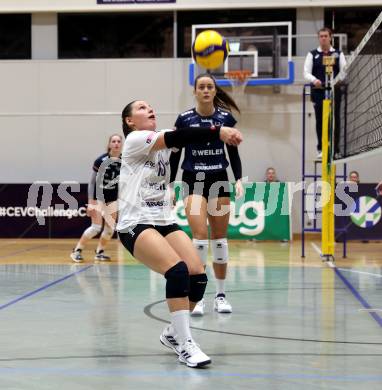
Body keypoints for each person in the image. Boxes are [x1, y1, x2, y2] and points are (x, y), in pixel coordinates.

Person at [117, 100, 242, 368]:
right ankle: (186, 345)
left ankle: (173, 333)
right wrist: (217, 131)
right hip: (135, 222)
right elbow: (182, 135)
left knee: (197, 274)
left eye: (150, 106)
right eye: (141, 108)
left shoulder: (162, 142)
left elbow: (184, 138)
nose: (149, 108)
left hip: (163, 219)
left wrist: (210, 117)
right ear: (130, 121)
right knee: (176, 271)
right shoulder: (136, 139)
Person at [170, 73, 244, 316]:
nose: (204, 90)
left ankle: (220, 295)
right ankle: (197, 296)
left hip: (219, 179)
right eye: (201, 87)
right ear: (195, 91)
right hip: (192, 179)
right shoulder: (184, 119)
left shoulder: (225, 118)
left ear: (214, 91)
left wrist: (239, 178)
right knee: (199, 237)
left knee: (220, 239)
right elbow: (174, 154)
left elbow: (233, 152)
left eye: (209, 87)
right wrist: (170, 184)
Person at [70, 134, 122, 263]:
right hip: (98, 198)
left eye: (118, 141)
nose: (116, 143)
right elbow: (92, 182)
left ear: (121, 144)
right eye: (113, 141)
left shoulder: (124, 160)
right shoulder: (101, 160)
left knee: (110, 229)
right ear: (109, 144)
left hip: (113, 199)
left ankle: (100, 252)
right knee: (96, 228)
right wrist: (90, 201)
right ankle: (77, 250)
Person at [304, 27, 346, 160]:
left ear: (330, 37)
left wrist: (335, 81)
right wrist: (314, 80)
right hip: (318, 91)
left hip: (335, 90)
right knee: (320, 119)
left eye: (325, 36)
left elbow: (344, 71)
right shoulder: (312, 54)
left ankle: (336, 150)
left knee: (335, 119)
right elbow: (306, 72)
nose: (323, 38)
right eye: (321, 36)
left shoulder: (338, 53)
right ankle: (322, 149)